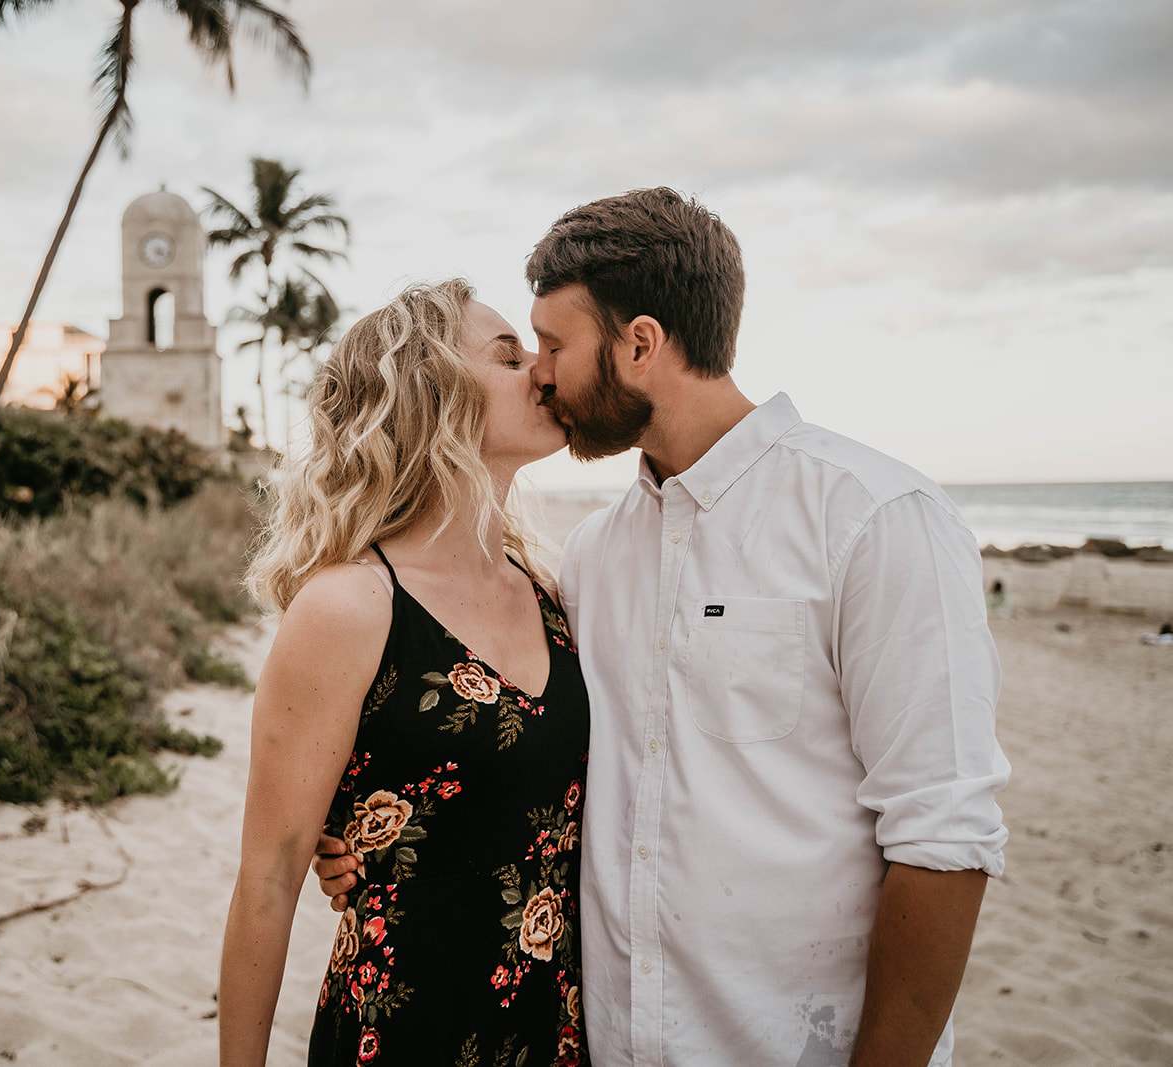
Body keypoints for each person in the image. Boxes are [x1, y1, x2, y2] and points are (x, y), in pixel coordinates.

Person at [316, 189, 1010, 1066]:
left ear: (641, 344)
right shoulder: (593, 557)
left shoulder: (875, 519)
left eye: (557, 346)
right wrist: (355, 833)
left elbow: (944, 839)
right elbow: (523, 757)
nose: (543, 373)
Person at [220, 280, 590, 1066]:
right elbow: (267, 878)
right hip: (401, 1035)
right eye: (509, 354)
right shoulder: (348, 607)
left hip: (550, 1035)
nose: (543, 372)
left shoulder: (555, 595)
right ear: (431, 388)